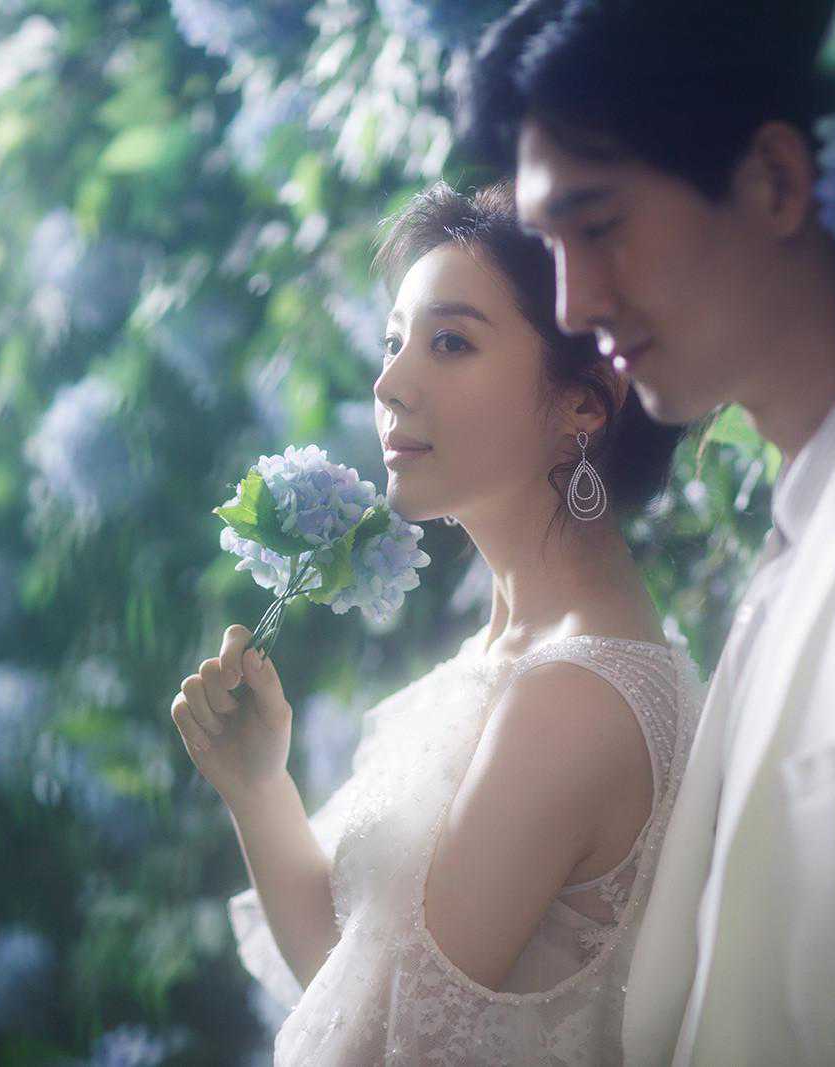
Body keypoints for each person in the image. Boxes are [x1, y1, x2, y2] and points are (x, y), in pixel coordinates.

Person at [460, 3, 835, 1063]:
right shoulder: (806, 536)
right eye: (550, 247)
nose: (573, 305)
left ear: (776, 182)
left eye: (597, 226)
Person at [170, 179, 705, 1065]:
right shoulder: (510, 658)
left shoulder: (571, 700)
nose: (389, 384)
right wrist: (256, 785)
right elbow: (358, 989)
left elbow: (376, 1048)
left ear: (585, 401)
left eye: (450, 342)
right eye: (394, 342)